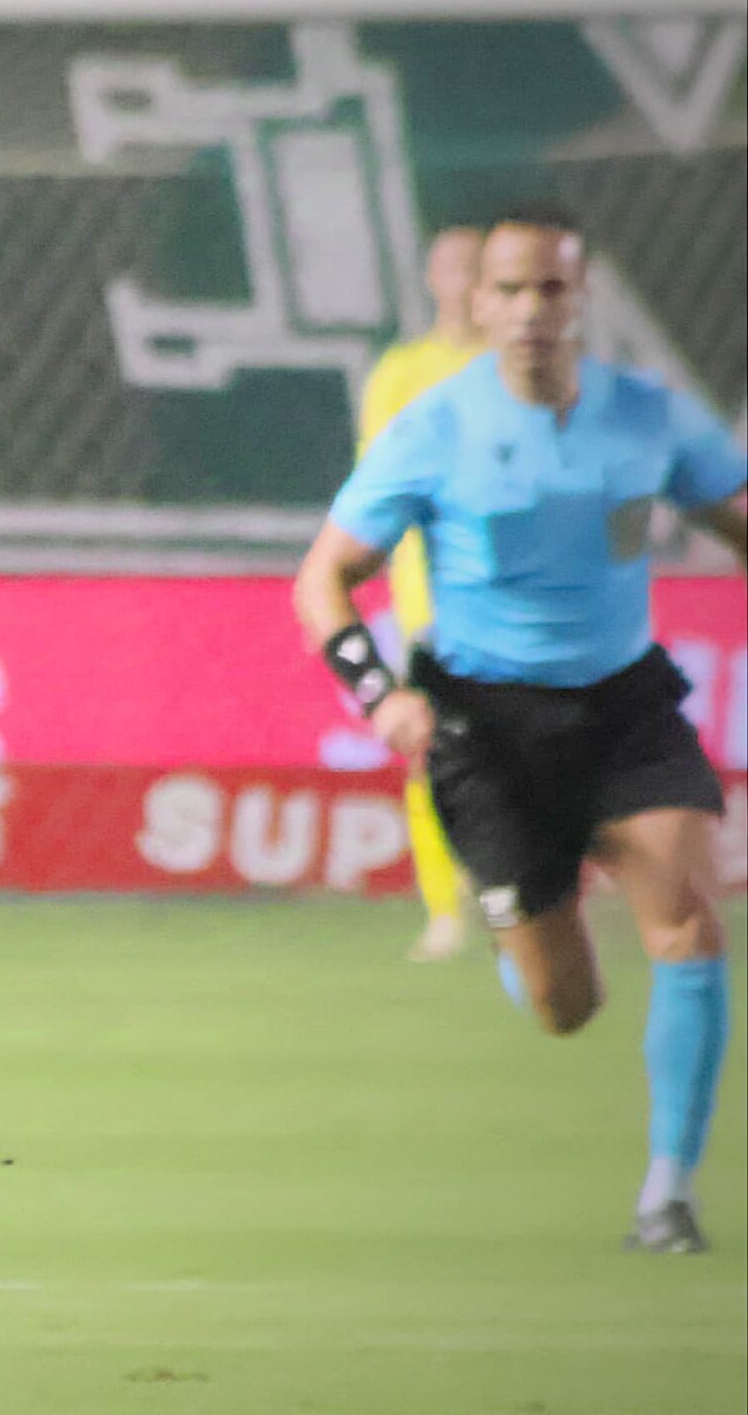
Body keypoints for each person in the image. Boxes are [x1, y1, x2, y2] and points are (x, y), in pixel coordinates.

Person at [294, 204, 746, 1255]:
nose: (531, 309)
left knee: (688, 920)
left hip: (625, 706)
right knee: (562, 1004)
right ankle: (531, 929)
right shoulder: (434, 428)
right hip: (487, 728)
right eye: (510, 289)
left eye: (552, 287)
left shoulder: (651, 416)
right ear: (480, 301)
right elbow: (324, 577)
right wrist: (377, 693)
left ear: (581, 297)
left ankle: (666, 1195)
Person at [356, 223, 485, 962]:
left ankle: (523, 895)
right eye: (450, 266)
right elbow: (380, 477)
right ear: (433, 279)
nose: (462, 281)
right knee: (428, 745)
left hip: (522, 590)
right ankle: (444, 908)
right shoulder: (403, 369)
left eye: (474, 267)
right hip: (430, 593)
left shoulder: (517, 367)